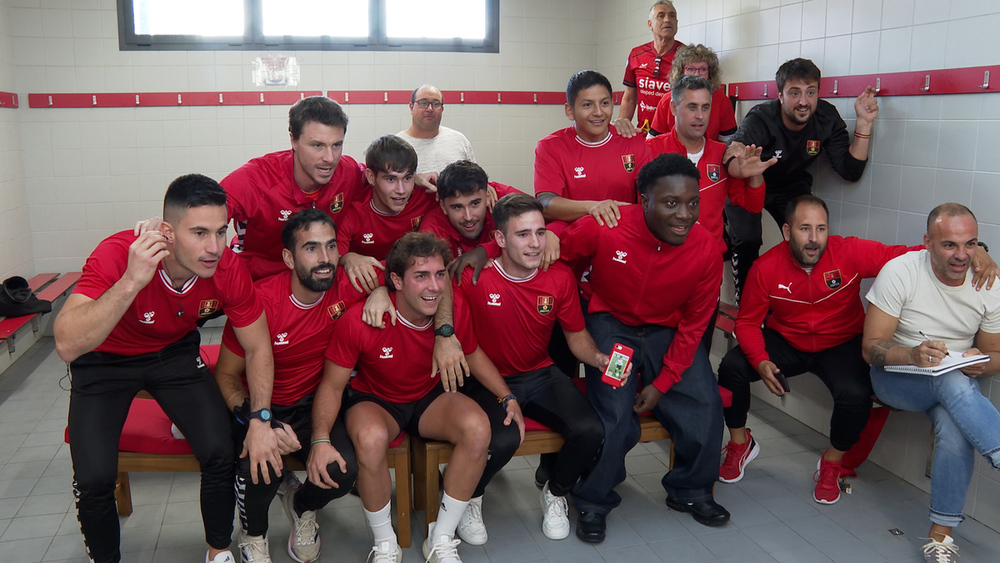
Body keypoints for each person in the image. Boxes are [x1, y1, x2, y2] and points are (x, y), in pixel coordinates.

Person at [54, 174, 276, 563]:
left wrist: (260, 419)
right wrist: (131, 280)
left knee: (220, 450)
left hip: (172, 353)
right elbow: (67, 344)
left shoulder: (227, 267)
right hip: (104, 359)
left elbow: (258, 347)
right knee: (93, 479)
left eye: (221, 232)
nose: (214, 247)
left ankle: (218, 551)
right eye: (200, 233)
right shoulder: (119, 252)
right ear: (168, 233)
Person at [316, 232, 524, 563]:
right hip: (377, 399)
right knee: (370, 440)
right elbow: (331, 386)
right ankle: (385, 543)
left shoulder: (452, 308)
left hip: (428, 397)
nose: (434, 286)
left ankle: (440, 538)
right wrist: (320, 439)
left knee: (478, 429)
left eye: (440, 274)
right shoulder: (361, 319)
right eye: (421, 276)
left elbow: (472, 353)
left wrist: (506, 396)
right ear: (396, 280)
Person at [560, 153, 727, 541]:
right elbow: (557, 255)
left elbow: (695, 324)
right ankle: (593, 499)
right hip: (612, 327)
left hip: (667, 330)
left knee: (704, 402)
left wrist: (664, 382)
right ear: (643, 200)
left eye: (692, 202)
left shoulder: (705, 249)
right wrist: (575, 313)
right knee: (616, 413)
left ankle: (691, 490)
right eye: (671, 203)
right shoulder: (607, 227)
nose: (684, 214)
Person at [717, 196, 926, 503]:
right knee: (731, 368)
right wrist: (761, 362)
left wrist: (977, 254)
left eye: (821, 229)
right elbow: (747, 322)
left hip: (842, 343)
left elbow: (909, 256)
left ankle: (832, 462)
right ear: (788, 232)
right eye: (805, 229)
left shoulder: (850, 252)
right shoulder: (766, 268)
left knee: (856, 394)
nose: (814, 239)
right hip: (787, 340)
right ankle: (740, 443)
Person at [213, 209, 374, 563]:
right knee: (261, 462)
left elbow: (405, 277)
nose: (325, 259)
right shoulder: (260, 302)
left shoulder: (351, 284)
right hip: (260, 403)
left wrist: (382, 295)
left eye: (331, 247)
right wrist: (259, 420)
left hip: (315, 404)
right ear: (288, 257)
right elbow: (225, 375)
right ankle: (253, 536)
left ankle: (301, 506)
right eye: (311, 249)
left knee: (342, 469)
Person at [456, 193, 606, 541]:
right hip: (484, 379)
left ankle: (555, 494)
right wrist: (504, 394)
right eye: (523, 234)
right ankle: (471, 497)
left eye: (540, 232)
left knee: (590, 431)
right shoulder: (474, 277)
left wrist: (597, 358)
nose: (535, 243)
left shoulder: (560, 277)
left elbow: (576, 336)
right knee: (504, 438)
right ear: (499, 240)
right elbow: (467, 347)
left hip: (538, 373)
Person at [862, 203, 1000, 563]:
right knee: (951, 383)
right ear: (927, 242)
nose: (962, 256)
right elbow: (870, 348)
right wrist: (912, 356)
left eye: (971, 244)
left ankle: (941, 536)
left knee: (954, 424)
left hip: (952, 383)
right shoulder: (901, 271)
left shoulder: (988, 282)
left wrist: (978, 363)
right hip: (896, 378)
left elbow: (995, 356)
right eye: (950, 245)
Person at [724, 58, 879, 303]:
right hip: (750, 182)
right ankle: (747, 308)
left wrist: (864, 124)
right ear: (781, 96)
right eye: (794, 93)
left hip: (791, 186)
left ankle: (800, 300)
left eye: (810, 92)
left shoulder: (826, 118)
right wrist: (741, 165)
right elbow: (733, 150)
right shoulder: (762, 117)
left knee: (810, 234)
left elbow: (851, 171)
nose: (803, 101)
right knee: (748, 239)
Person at [222, 96, 366, 281]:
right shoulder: (255, 179)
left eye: (336, 145)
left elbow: (385, 181)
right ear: (293, 140)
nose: (330, 158)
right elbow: (200, 216)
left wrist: (416, 183)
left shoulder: (349, 172)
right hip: (258, 278)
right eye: (317, 145)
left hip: (316, 277)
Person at [647, 74, 768, 258]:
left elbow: (752, 206)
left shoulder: (723, 154)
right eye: (692, 107)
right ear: (673, 107)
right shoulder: (651, 151)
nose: (700, 116)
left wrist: (755, 176)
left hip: (708, 259)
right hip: (663, 257)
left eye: (705, 107)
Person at [535, 70, 653, 230]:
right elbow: (545, 203)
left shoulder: (634, 142)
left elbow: (651, 199)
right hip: (572, 241)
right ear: (570, 111)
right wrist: (592, 208)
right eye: (587, 105)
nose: (598, 112)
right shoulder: (550, 147)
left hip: (623, 239)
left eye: (604, 103)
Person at [336, 134, 439, 294]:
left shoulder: (427, 194)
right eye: (390, 179)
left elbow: (470, 193)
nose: (401, 190)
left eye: (407, 178)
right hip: (369, 288)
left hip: (414, 286)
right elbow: (330, 260)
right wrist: (347, 258)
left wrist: (489, 189)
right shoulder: (353, 213)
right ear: (371, 177)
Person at [616, 1, 684, 135]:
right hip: (643, 133)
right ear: (650, 24)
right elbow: (629, 98)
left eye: (671, 16)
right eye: (661, 15)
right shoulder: (636, 54)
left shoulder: (686, 56)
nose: (667, 20)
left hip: (674, 135)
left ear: (676, 23)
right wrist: (622, 129)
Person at [648, 44, 737, 141]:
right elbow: (652, 142)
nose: (697, 74)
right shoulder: (667, 100)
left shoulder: (722, 100)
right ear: (681, 72)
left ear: (710, 74)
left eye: (703, 69)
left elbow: (729, 143)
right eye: (691, 69)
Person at [396, 84, 476, 174]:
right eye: (423, 103)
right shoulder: (395, 146)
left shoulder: (459, 140)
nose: (430, 109)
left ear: (442, 109)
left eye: (435, 104)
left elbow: (474, 180)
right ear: (411, 107)